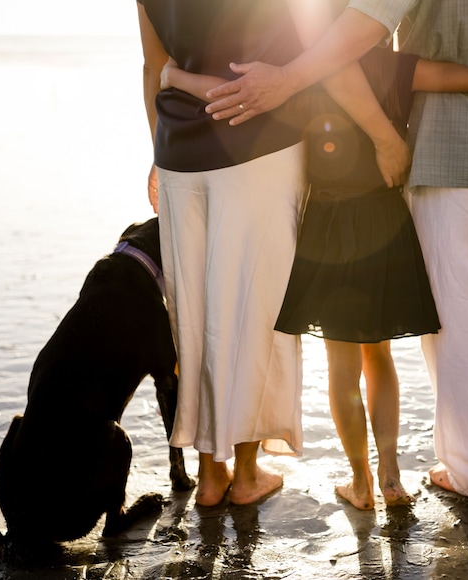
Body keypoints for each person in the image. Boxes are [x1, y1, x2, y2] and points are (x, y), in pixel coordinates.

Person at [162, 0, 468, 509]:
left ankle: (359, 482)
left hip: (327, 233)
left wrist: (173, 73)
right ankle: (391, 475)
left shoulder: (310, 78)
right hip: (386, 227)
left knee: (341, 362)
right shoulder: (397, 69)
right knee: (381, 357)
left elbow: (236, 92)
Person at [136, 0, 411, 507]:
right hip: (256, 146)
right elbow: (323, 51)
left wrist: (157, 150)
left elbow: (156, 67)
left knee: (192, 316)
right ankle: (245, 475)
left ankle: (209, 476)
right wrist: (382, 135)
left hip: (178, 151)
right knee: (253, 313)